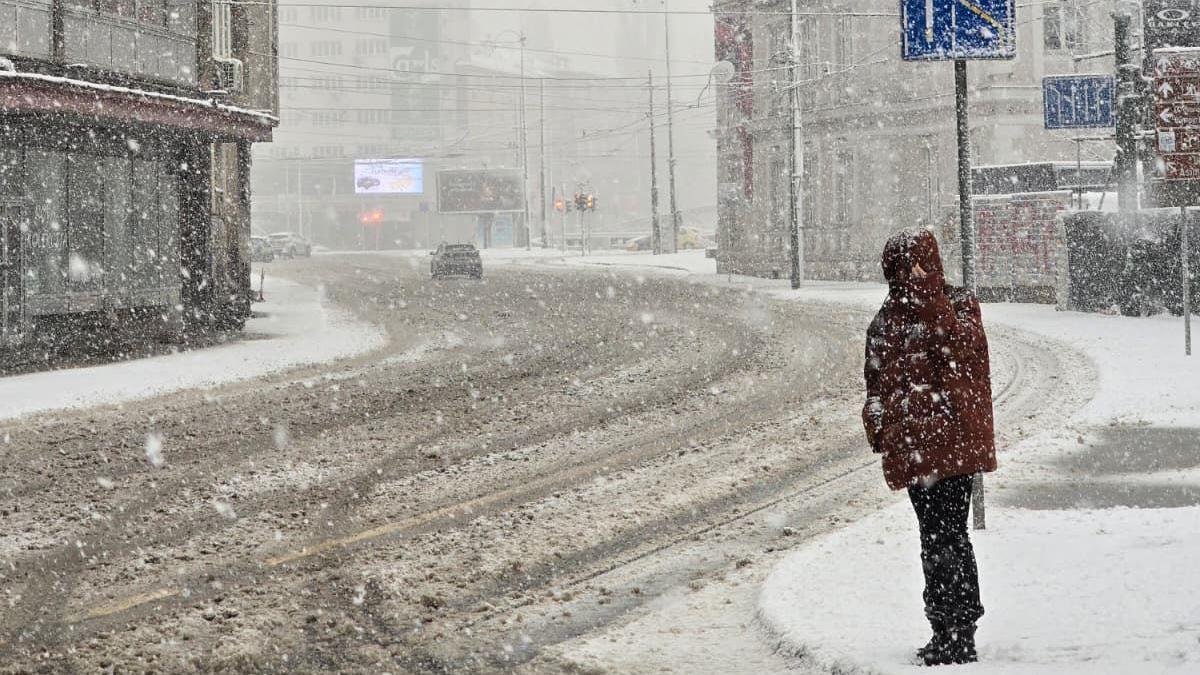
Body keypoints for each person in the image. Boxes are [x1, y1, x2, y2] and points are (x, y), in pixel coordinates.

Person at [862, 228, 997, 666]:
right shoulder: (886, 320)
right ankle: (945, 625)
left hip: (951, 448)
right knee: (933, 539)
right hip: (914, 451)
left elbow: (960, 357)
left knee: (947, 538)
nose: (908, 275)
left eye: (916, 265)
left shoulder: (956, 305)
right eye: (902, 268)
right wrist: (879, 426)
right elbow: (875, 382)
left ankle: (958, 630)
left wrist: (927, 295)